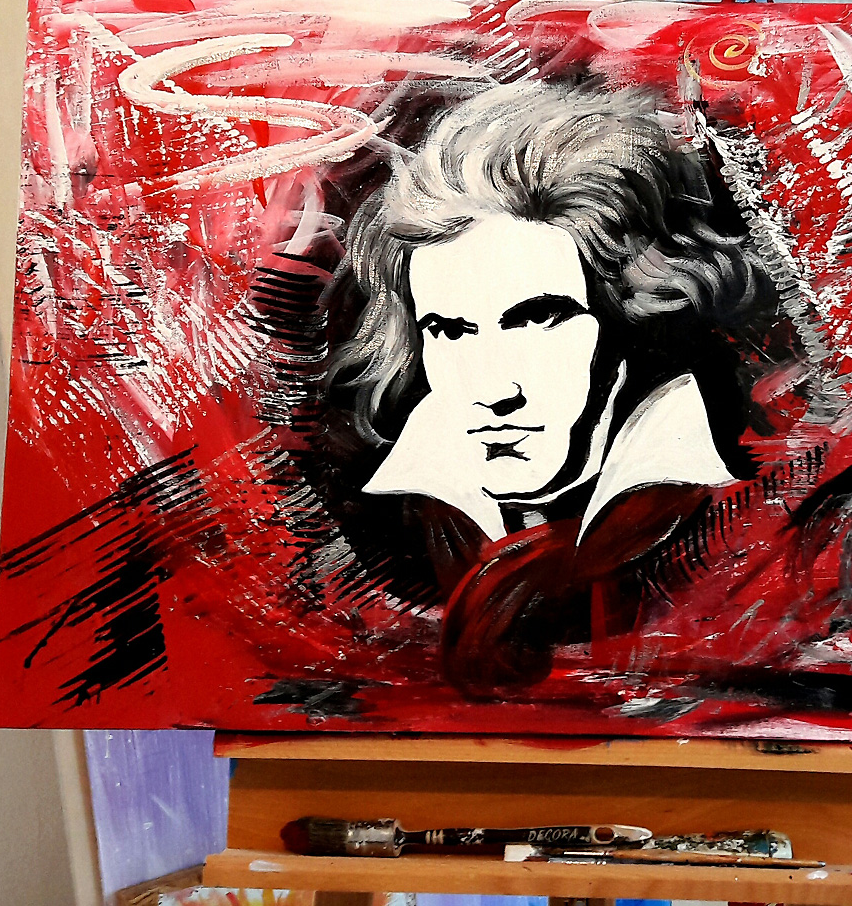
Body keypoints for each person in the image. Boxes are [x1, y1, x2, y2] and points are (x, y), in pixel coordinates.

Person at [326, 79, 777, 696]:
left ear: (629, 319)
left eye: (540, 320)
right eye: (450, 330)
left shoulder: (748, 522)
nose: (493, 388)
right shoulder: (372, 539)